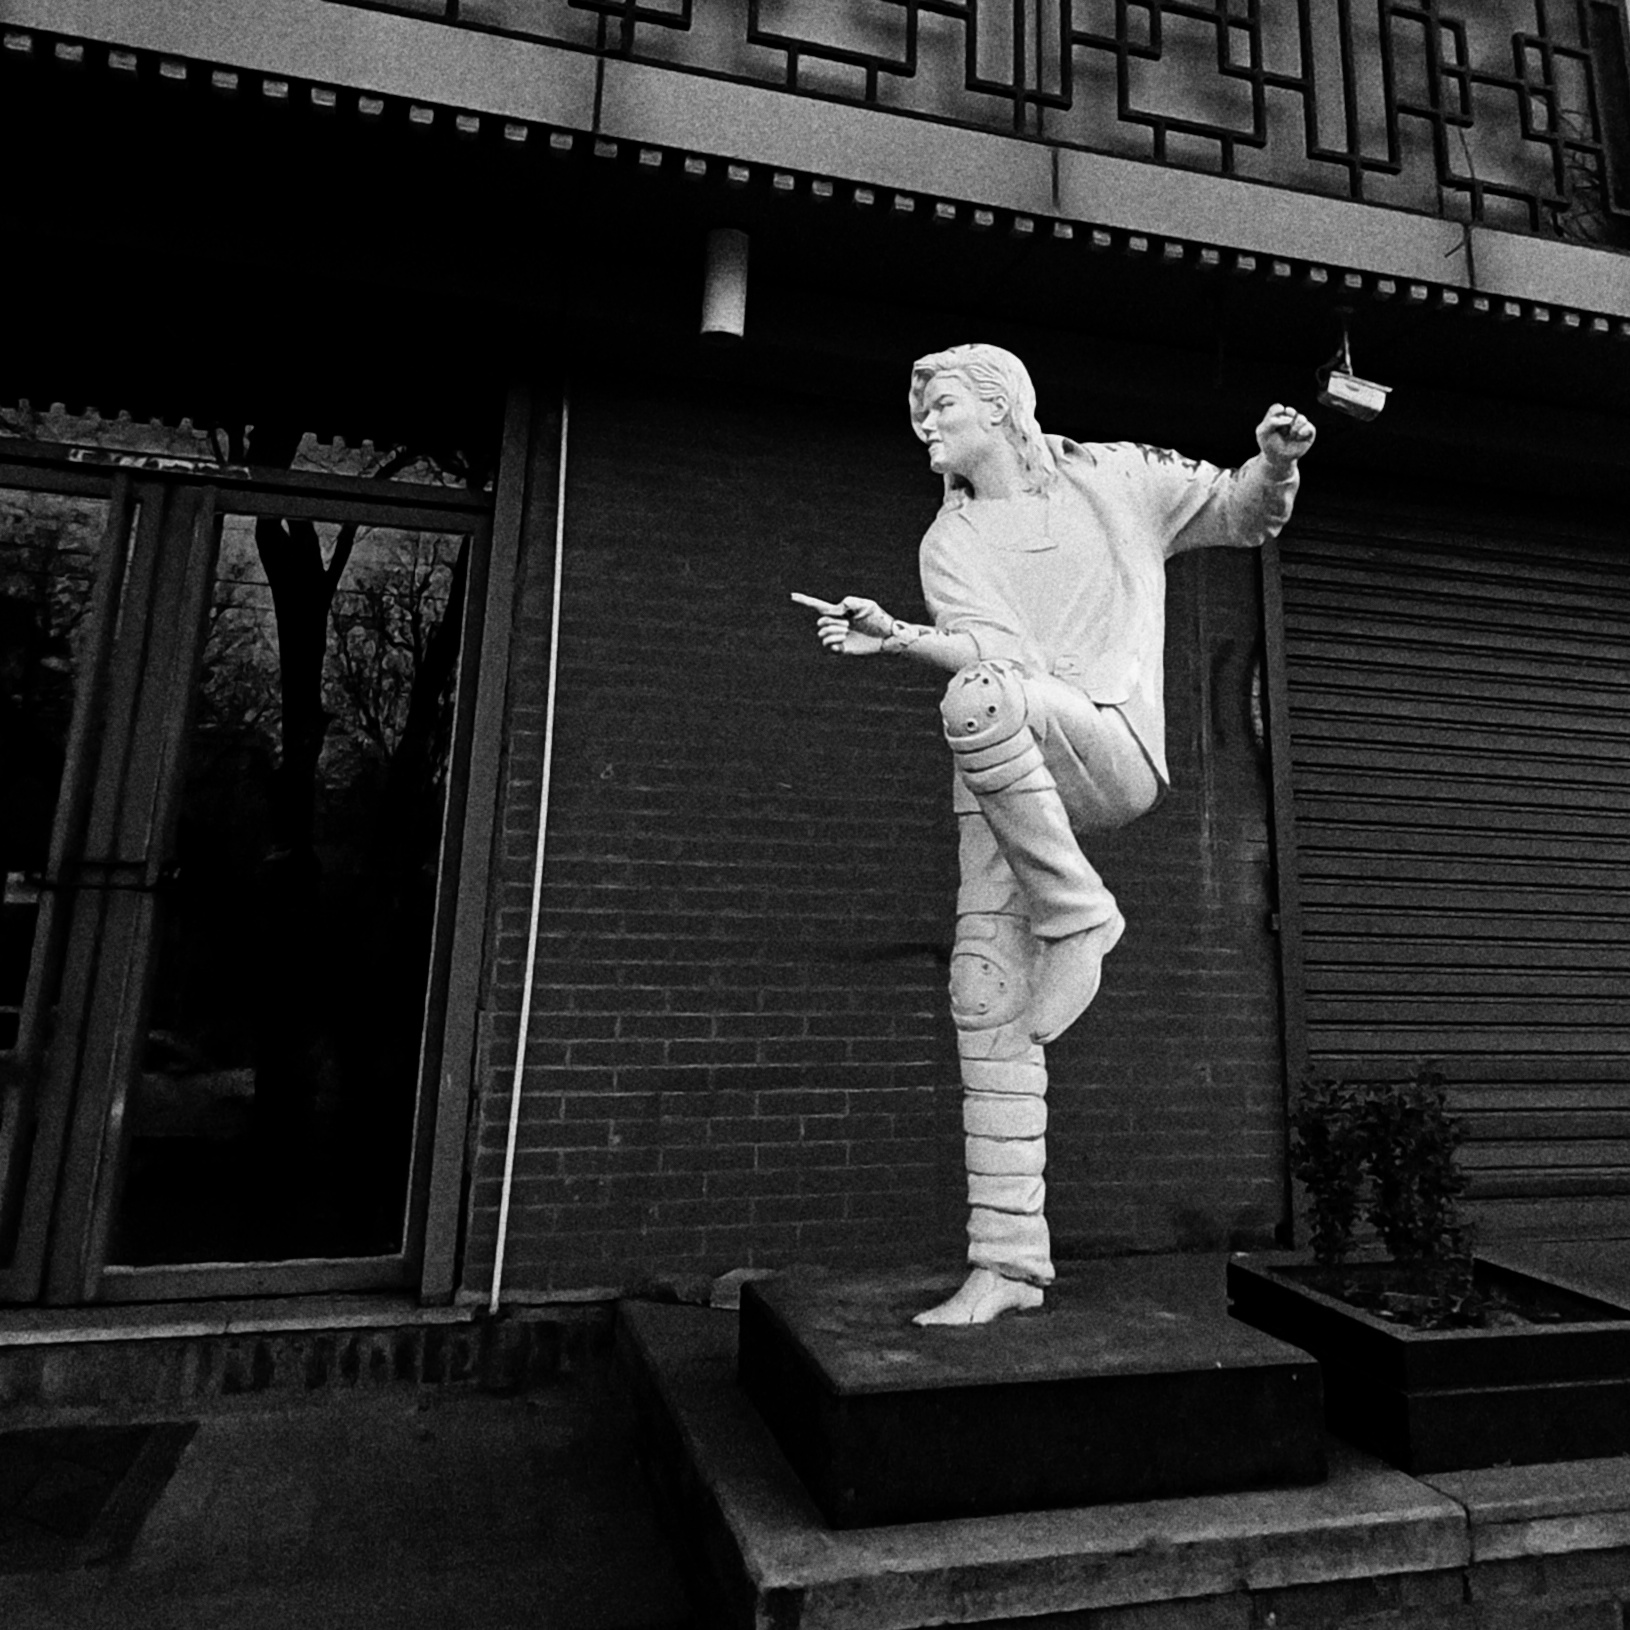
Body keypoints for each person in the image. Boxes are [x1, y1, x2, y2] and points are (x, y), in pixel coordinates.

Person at [794, 344, 1316, 1326]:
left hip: (1104, 743)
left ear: (1001, 408)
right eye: (918, 411)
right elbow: (988, 650)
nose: (925, 425)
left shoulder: (1113, 477)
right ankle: (1006, 1264)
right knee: (986, 995)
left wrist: (1276, 462)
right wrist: (898, 635)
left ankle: (1078, 916)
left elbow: (1237, 511)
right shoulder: (948, 542)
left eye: (942, 406)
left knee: (980, 698)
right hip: (1000, 764)